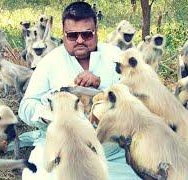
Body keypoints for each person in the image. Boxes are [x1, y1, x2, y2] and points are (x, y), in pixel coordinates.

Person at [19, 2, 139, 179]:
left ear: (96, 31)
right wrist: (49, 113)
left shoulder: (115, 57)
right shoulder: (50, 62)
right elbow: (26, 107)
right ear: (64, 34)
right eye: (73, 35)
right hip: (59, 151)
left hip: (110, 153)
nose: (80, 40)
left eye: (86, 34)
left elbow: (139, 99)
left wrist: (102, 90)